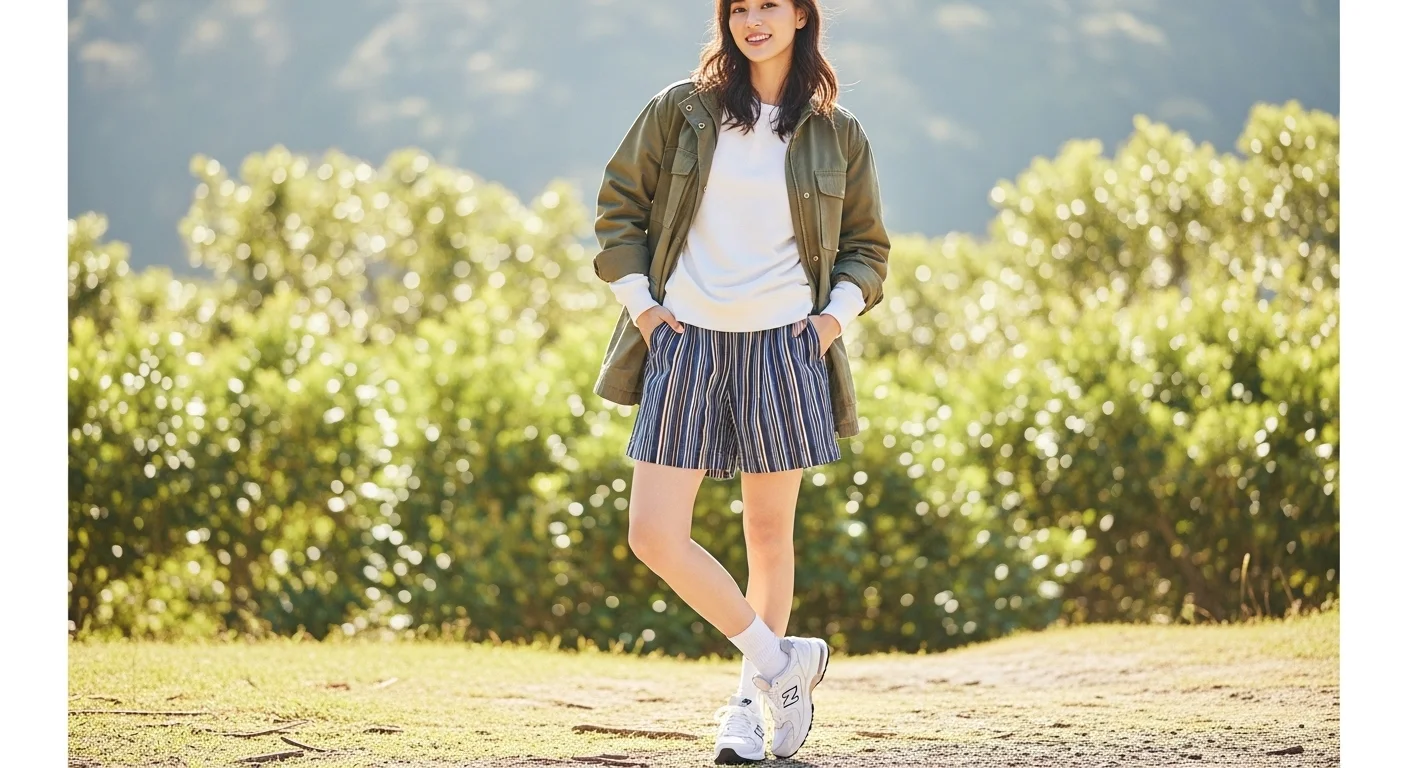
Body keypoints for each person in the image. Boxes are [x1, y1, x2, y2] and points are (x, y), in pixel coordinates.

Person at [590, 0, 890, 762]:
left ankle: (748, 713)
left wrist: (829, 324)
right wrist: (647, 312)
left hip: (784, 346)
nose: (753, 20)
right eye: (739, 8)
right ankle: (782, 664)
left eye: (768, 6)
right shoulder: (680, 111)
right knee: (655, 533)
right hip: (685, 339)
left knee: (767, 533)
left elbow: (867, 248)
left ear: (799, 16)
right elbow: (618, 210)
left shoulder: (836, 130)